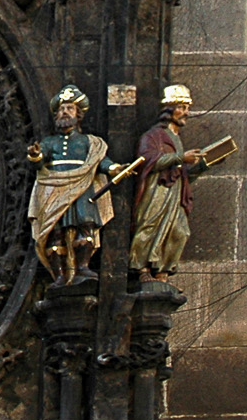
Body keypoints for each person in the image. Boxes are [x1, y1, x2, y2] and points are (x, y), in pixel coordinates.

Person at [27, 84, 116, 285]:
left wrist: (113, 169)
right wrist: (35, 155)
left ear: (78, 114)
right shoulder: (50, 142)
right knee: (54, 232)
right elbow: (39, 161)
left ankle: (83, 267)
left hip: (82, 187)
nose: (64, 112)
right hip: (54, 187)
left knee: (85, 226)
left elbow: (99, 160)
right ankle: (59, 274)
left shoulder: (88, 142)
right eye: (61, 109)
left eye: (69, 108)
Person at [131, 83, 209, 279]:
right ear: (169, 110)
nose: (186, 113)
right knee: (150, 225)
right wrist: (181, 158)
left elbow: (182, 173)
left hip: (175, 192)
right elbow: (147, 159)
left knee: (180, 231)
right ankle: (142, 269)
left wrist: (203, 165)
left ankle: (163, 273)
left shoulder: (176, 138)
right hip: (157, 189)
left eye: (187, 108)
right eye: (181, 108)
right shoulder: (154, 135)